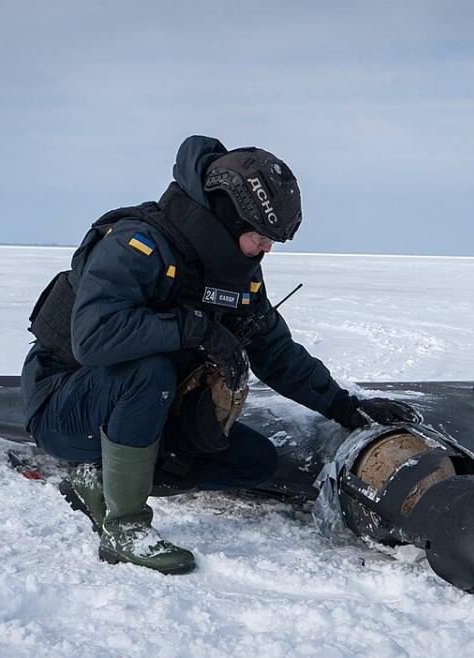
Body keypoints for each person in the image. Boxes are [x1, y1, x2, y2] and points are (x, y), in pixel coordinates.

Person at [22, 135, 414, 575]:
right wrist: (198, 330)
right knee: (146, 372)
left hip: (150, 408)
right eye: (261, 237)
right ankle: (124, 528)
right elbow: (94, 338)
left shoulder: (238, 274)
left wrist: (346, 408)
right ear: (227, 217)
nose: (267, 249)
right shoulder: (138, 244)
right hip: (66, 403)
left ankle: (98, 479)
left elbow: (275, 350)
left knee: (254, 461)